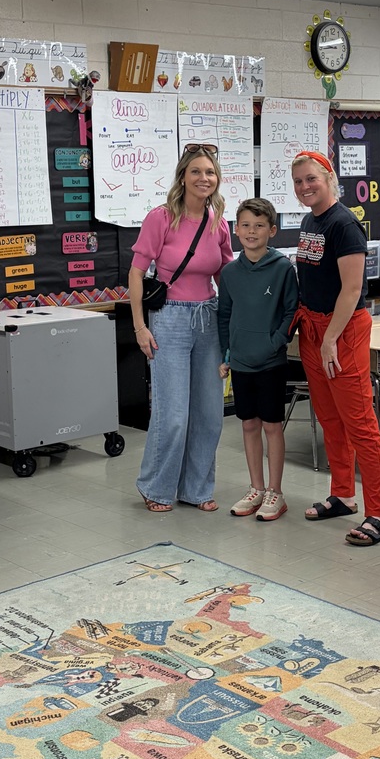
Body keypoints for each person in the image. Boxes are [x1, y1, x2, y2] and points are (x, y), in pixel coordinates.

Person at [291, 151, 380, 547]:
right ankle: (344, 494)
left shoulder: (345, 224)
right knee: (330, 417)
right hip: (314, 328)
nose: (305, 187)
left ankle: (379, 513)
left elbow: (352, 290)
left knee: (360, 424)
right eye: (298, 181)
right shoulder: (309, 221)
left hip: (342, 331)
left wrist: (331, 337)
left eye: (311, 179)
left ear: (329, 177)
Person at [128, 144, 233, 512]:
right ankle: (156, 487)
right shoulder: (161, 218)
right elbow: (137, 273)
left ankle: (196, 488)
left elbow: (224, 271)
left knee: (208, 412)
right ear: (183, 177)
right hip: (168, 318)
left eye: (210, 172)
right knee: (173, 414)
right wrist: (140, 326)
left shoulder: (218, 221)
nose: (204, 178)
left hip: (208, 317)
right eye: (197, 172)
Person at [218, 198, 299, 522]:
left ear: (272, 230)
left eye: (259, 225)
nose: (252, 232)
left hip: (270, 363)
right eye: (246, 225)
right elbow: (224, 314)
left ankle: (275, 493)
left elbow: (292, 312)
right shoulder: (230, 272)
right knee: (248, 424)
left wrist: (275, 343)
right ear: (236, 230)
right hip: (240, 362)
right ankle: (256, 487)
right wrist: (227, 353)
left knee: (272, 426)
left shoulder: (282, 268)